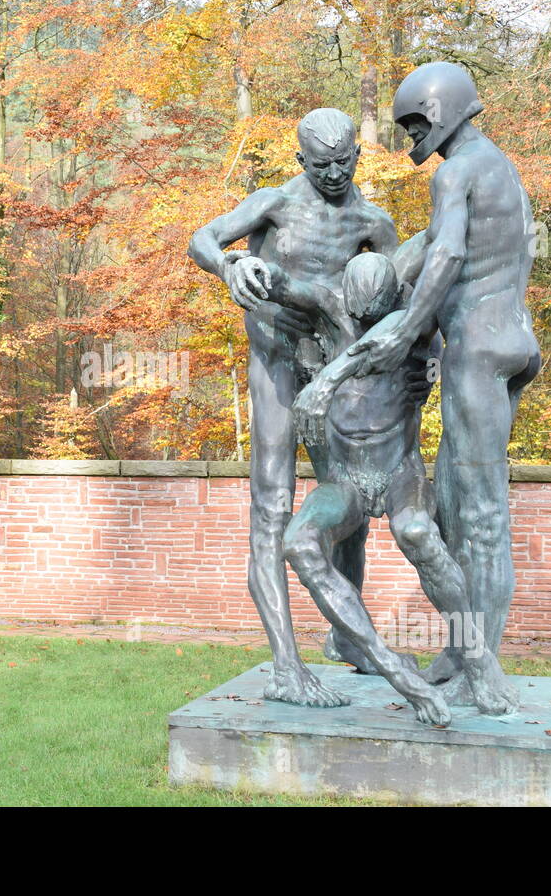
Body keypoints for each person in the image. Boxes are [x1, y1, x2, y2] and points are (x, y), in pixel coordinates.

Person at [293, 63, 541, 686]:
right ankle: (463, 652)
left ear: (441, 111)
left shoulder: (457, 170)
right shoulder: (497, 169)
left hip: (477, 352)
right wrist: (364, 282)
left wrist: (406, 329)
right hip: (509, 340)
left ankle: (476, 667)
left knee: (479, 517)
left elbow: (450, 253)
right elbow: (434, 242)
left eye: (413, 127)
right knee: (456, 508)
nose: (411, 144)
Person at [187, 108, 398, 706]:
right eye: (321, 163)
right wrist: (231, 264)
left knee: (351, 501)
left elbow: (401, 294)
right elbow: (202, 237)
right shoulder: (274, 202)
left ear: (359, 154)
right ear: (302, 160)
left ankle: (348, 639)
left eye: (344, 161)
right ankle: (285, 664)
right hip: (278, 362)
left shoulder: (373, 223)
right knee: (273, 504)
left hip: (337, 371)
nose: (334, 173)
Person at [273, 252, 519, 725]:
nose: (366, 323)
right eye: (359, 313)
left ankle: (477, 659)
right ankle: (388, 664)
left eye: (377, 313)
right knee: (299, 542)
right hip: (344, 478)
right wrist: (248, 270)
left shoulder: (412, 319)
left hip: (400, 470)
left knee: (419, 535)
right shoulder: (330, 307)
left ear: (394, 298)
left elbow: (441, 248)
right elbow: (288, 287)